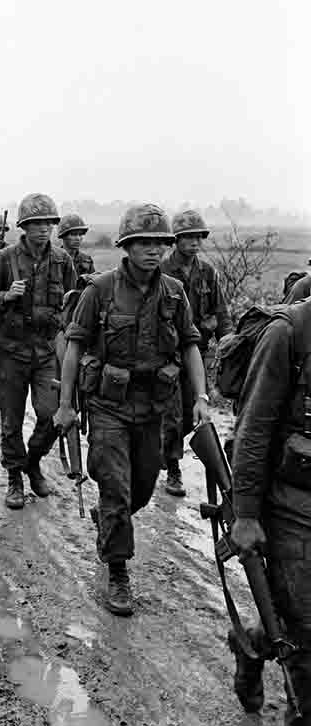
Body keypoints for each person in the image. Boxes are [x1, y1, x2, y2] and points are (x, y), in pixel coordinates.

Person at [54, 203, 210, 616]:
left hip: (155, 407)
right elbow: (73, 348)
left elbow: (190, 345)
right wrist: (66, 405)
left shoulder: (175, 293)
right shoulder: (100, 290)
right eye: (143, 243)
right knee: (116, 489)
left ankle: (110, 519)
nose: (153, 251)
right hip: (109, 407)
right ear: (126, 246)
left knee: (140, 488)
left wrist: (202, 397)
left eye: (159, 243)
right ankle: (118, 571)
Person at [227, 296, 311, 724]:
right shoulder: (289, 333)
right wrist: (244, 514)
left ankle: (252, 643)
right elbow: (254, 429)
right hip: (293, 503)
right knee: (306, 629)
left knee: (295, 622)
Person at [0, 193, 76, 508]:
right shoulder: (3, 259)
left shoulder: (62, 260)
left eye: (48, 223)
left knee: (52, 415)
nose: (44, 229)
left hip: (46, 352)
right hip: (12, 351)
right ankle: (15, 477)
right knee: (11, 419)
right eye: (36, 224)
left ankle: (33, 459)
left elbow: (74, 305)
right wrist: (6, 295)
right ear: (24, 227)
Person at [160, 209, 232, 496]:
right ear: (176, 240)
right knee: (173, 414)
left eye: (197, 237)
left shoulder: (208, 272)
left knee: (191, 412)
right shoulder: (162, 271)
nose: (193, 242)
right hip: (167, 356)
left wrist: (227, 341)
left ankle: (167, 452)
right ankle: (173, 468)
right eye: (187, 237)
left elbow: (221, 312)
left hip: (197, 354)